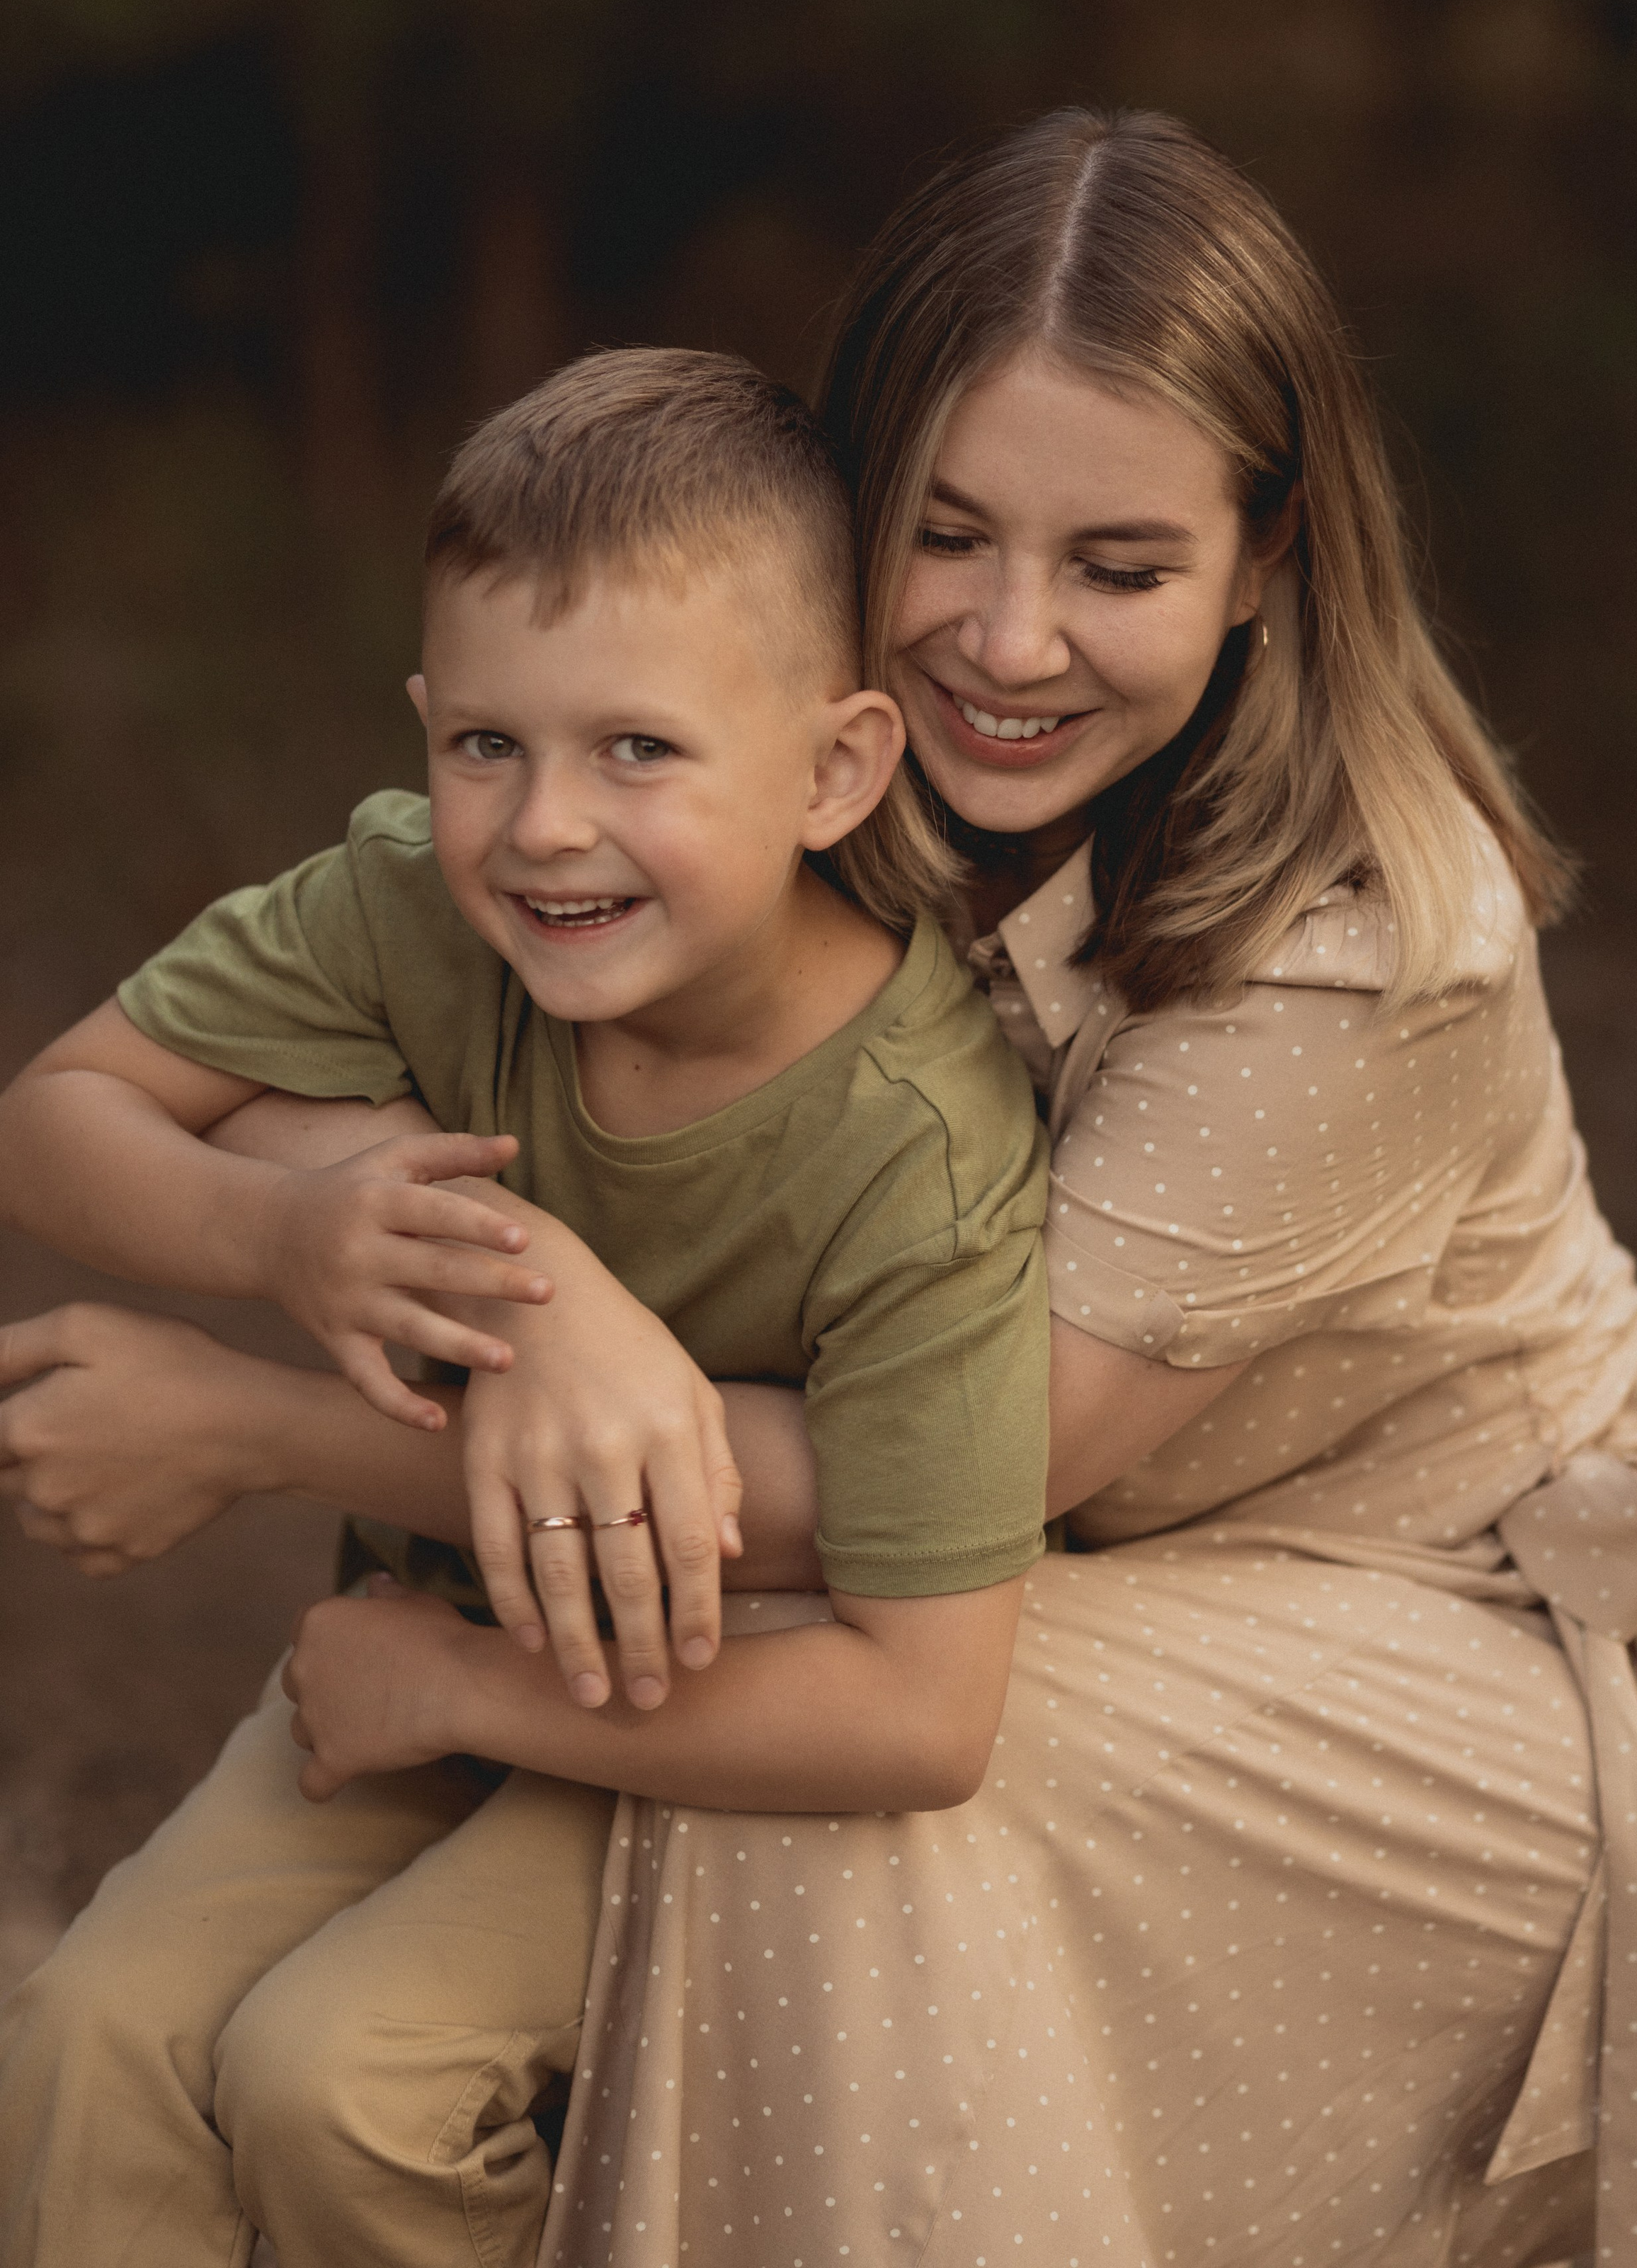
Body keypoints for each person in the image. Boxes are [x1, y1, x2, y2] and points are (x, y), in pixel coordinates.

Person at [3, 105, 1637, 2268]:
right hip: (946, 1564)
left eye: (1121, 568)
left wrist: (261, 1420)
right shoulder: (790, 785)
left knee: (791, 1815)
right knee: (156, 2017)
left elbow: (932, 1490)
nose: (1013, 641)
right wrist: (501, 1263)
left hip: (1422, 1627)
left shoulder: (1369, 949)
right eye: (948, 536)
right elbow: (387, 1047)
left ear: (1272, 549)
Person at [0, 348, 1055, 2267]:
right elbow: (54, 1126)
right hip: (421, 1658)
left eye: (638, 751)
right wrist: (279, 1237)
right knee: (85, 2035)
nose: (545, 826)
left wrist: (461, 1684)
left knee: (342, 2084)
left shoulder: (919, 1143)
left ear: (838, 766)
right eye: (486, 745)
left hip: (709, 1712)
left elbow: (924, 1714)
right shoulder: (415, 910)